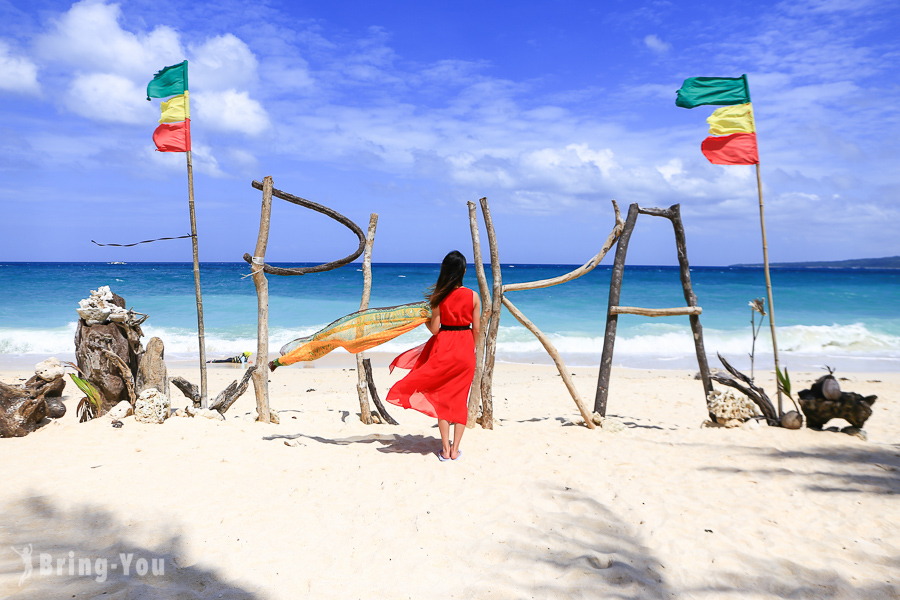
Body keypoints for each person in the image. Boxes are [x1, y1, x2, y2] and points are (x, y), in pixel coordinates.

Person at [386, 250, 481, 462]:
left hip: (443, 350)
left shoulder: (438, 297)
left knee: (442, 399)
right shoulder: (474, 296)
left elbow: (436, 330)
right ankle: (456, 450)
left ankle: (445, 450)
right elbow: (477, 330)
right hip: (465, 351)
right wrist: (470, 350)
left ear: (444, 271)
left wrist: (425, 320)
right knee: (459, 400)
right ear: (464, 271)